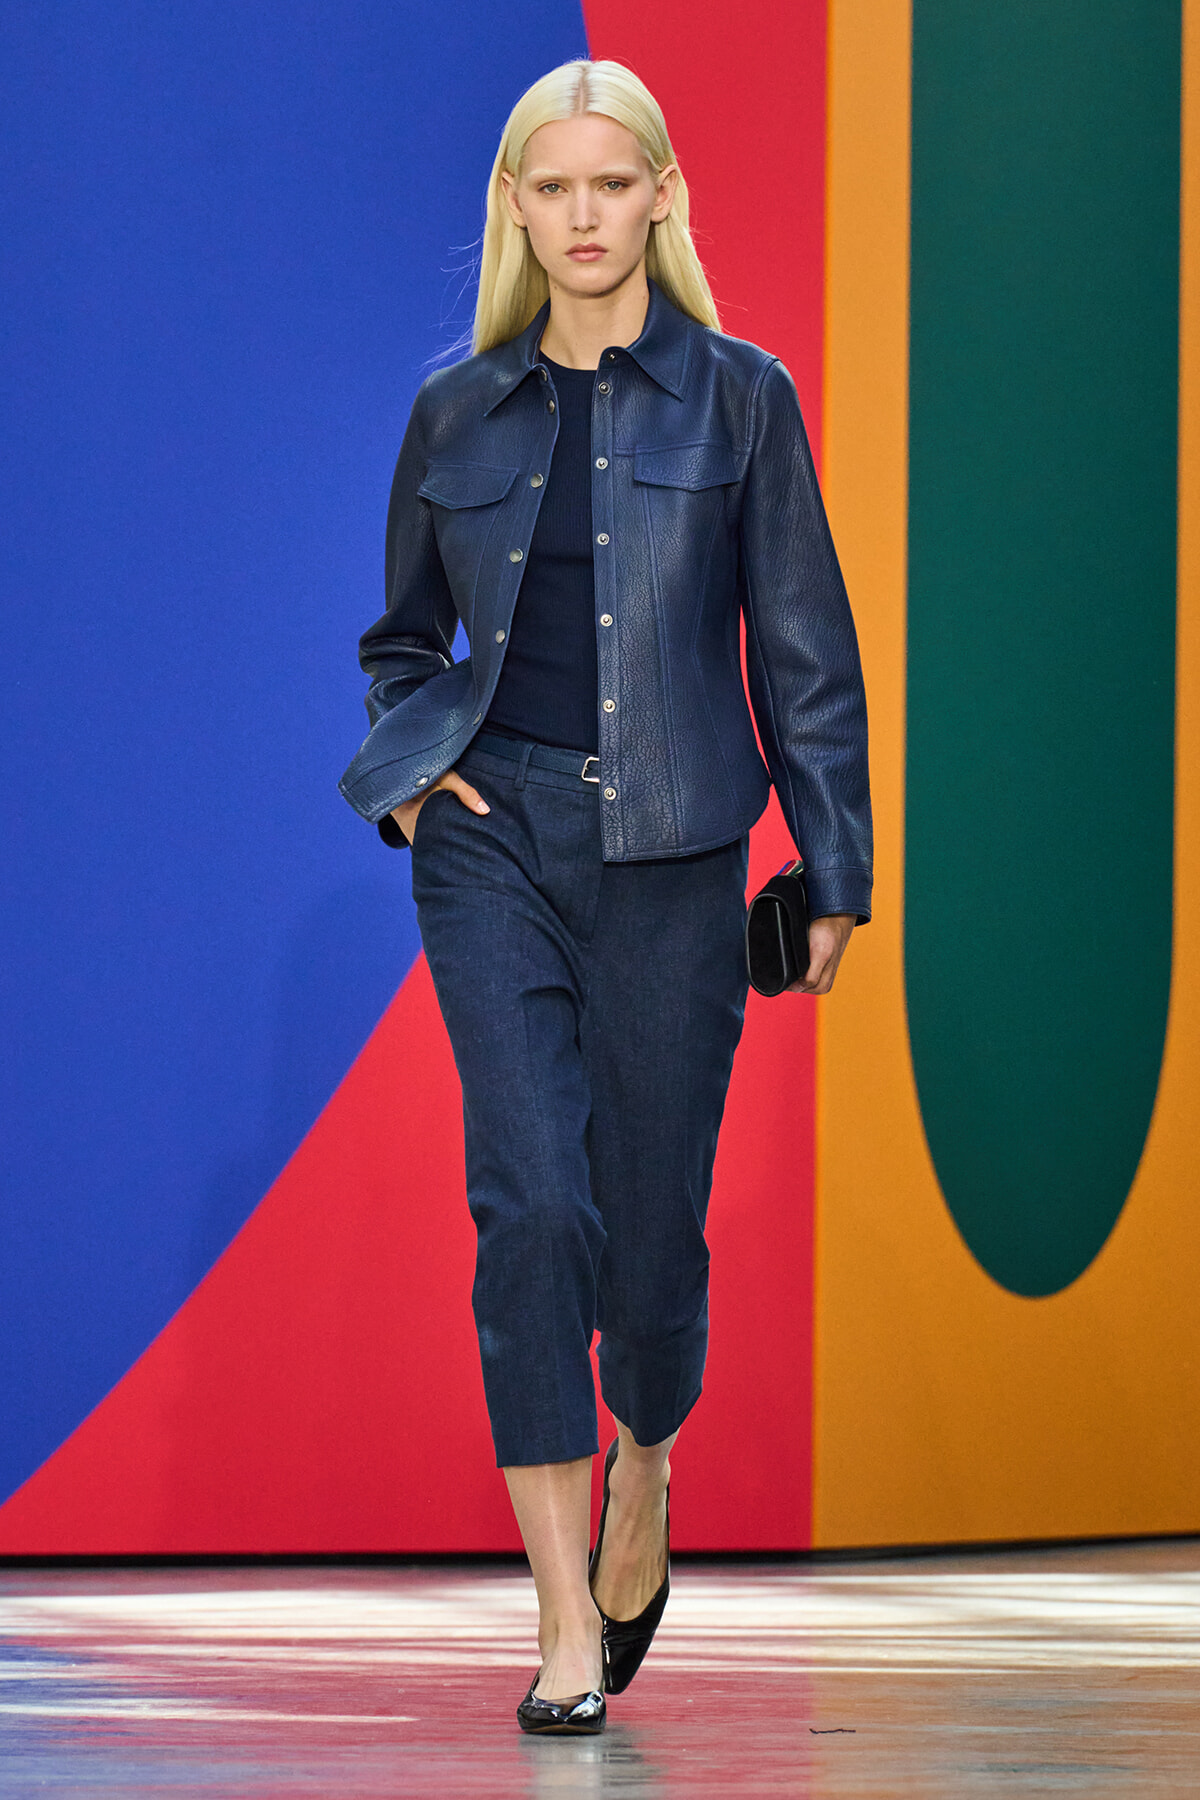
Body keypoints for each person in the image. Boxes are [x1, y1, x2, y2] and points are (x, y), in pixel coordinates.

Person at [338, 57, 872, 1734]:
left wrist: (833, 863)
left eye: (608, 185)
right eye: (550, 189)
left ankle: (647, 1456)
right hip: (494, 851)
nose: (581, 217)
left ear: (660, 196)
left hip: (677, 860)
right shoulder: (456, 412)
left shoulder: (743, 400)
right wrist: (417, 786)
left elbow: (804, 653)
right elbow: (402, 642)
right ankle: (564, 1617)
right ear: (517, 207)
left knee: (649, 1249)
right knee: (530, 1203)